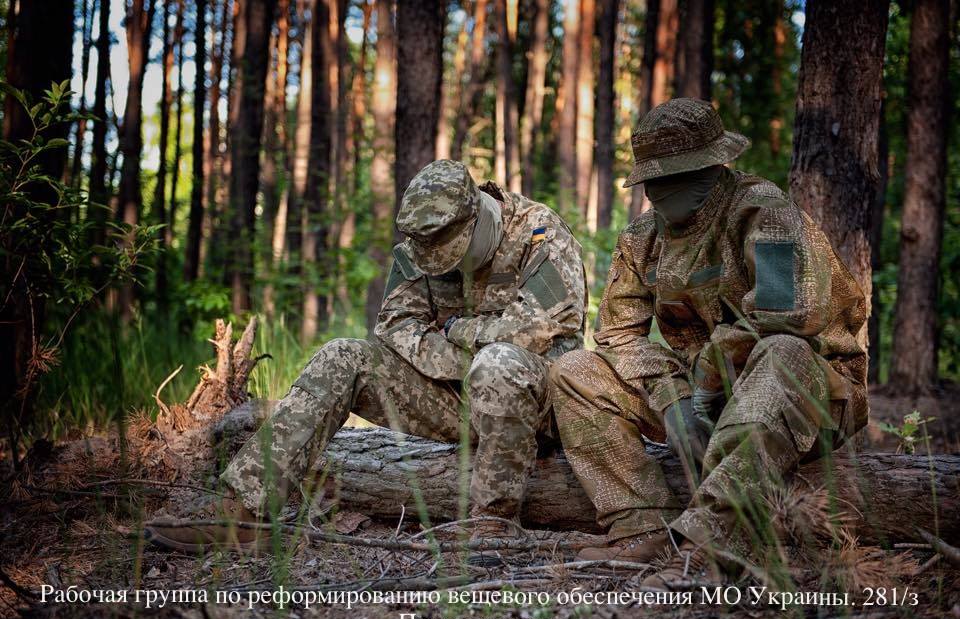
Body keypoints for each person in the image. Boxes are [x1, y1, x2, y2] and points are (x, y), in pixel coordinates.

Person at [147, 159, 587, 566]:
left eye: (454, 257)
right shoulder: (420, 247)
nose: (444, 269)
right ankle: (243, 511)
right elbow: (396, 326)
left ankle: (493, 520)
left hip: (538, 405)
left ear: (478, 215)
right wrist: (463, 356)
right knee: (344, 354)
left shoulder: (539, 233)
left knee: (498, 364)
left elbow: (542, 328)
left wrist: (457, 331)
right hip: (459, 400)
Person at [549, 98, 867, 588]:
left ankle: (712, 541)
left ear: (714, 166)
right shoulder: (641, 238)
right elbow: (616, 335)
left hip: (809, 389)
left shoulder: (764, 211)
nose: (663, 192)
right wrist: (674, 399)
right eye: (657, 179)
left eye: (678, 175)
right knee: (575, 370)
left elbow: (788, 319)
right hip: (706, 398)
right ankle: (640, 525)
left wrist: (709, 374)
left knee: (781, 354)